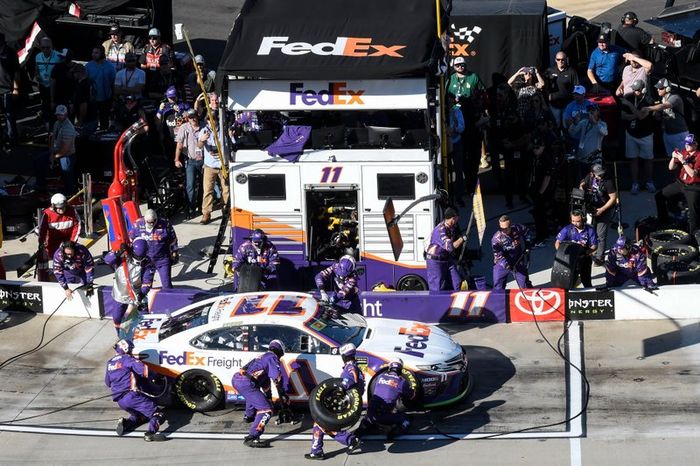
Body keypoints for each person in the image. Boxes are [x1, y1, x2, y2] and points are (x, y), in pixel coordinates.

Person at [306, 343, 363, 460]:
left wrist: (335, 388)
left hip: (343, 405)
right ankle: (350, 441)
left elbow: (348, 382)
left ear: (344, 356)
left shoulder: (351, 367)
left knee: (320, 424)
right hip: (344, 404)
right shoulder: (355, 366)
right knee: (321, 424)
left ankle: (317, 452)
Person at [105, 339, 165, 442]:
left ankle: (126, 423)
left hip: (120, 401)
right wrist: (158, 376)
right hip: (132, 396)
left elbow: (107, 383)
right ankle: (150, 433)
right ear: (126, 348)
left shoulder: (110, 363)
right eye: (131, 349)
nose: (132, 351)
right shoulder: (127, 359)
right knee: (157, 413)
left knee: (141, 415)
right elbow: (144, 371)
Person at [232, 339, 289, 448]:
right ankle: (252, 437)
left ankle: (249, 416)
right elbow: (277, 378)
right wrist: (283, 394)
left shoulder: (262, 357)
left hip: (238, 379)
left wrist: (269, 399)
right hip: (247, 383)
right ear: (280, 351)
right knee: (267, 411)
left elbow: (266, 387)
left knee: (255, 395)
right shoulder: (272, 358)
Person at [104, 239, 155, 336]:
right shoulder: (123, 256)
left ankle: (146, 335)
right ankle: (120, 335)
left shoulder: (148, 263)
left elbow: (147, 281)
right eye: (137, 257)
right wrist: (117, 253)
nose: (139, 259)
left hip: (137, 293)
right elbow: (107, 260)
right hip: (120, 293)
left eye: (141, 257)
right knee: (117, 317)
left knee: (144, 316)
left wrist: (141, 294)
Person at [355, 358, 414, 440]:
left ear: (389, 368)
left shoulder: (379, 377)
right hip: (384, 415)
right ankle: (394, 432)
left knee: (368, 417)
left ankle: (360, 430)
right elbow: (410, 395)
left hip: (371, 414)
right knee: (406, 418)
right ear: (400, 370)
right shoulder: (402, 381)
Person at [655, 134, 700, 234]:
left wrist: (683, 161)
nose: (687, 146)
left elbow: (692, 174)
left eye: (689, 144)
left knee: (693, 212)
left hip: (693, 186)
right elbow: (671, 168)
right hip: (680, 183)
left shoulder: (699, 156)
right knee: (659, 196)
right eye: (686, 144)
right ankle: (663, 222)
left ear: (695, 145)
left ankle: (694, 234)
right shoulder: (684, 152)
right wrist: (673, 158)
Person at [620, 79, 656, 194]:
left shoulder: (649, 100)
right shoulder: (629, 97)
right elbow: (623, 116)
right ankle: (635, 183)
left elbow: (641, 116)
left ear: (643, 89)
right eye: (634, 90)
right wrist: (635, 114)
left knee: (648, 160)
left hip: (646, 135)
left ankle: (649, 182)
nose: (635, 92)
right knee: (633, 159)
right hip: (631, 134)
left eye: (638, 90)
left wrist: (631, 107)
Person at [128, 209, 178, 289]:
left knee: (167, 285)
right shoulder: (137, 224)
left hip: (162, 259)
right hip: (146, 261)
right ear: (145, 220)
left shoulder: (165, 224)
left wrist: (174, 252)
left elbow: (173, 239)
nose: (151, 223)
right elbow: (131, 240)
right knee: (145, 287)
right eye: (149, 222)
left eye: (153, 221)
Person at [580, 164, 618, 266]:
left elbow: (613, 197)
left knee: (601, 235)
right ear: (592, 173)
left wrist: (602, 209)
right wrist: (582, 186)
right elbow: (583, 182)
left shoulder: (608, 181)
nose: (600, 176)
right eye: (598, 175)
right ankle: (591, 251)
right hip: (590, 209)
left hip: (603, 210)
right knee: (590, 232)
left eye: (601, 174)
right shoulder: (590, 177)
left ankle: (599, 258)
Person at [38, 193, 81, 281]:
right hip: (52, 242)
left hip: (68, 241)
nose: (61, 210)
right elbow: (42, 229)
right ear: (53, 206)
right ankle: (59, 274)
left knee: (69, 259)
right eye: (59, 208)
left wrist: (72, 242)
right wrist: (41, 242)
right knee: (57, 259)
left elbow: (77, 225)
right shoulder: (47, 213)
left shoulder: (72, 211)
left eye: (63, 207)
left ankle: (69, 276)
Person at [642, 78, 689, 156]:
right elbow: (660, 115)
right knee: (671, 159)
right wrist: (657, 114)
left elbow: (665, 105)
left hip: (679, 133)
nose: (658, 90)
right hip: (668, 133)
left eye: (660, 88)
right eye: (657, 88)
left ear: (668, 88)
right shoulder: (662, 99)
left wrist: (649, 108)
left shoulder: (675, 97)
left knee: (683, 158)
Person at [424, 207, 466, 291]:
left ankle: (455, 301)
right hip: (435, 260)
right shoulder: (440, 230)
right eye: (457, 218)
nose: (458, 220)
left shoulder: (452, 227)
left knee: (457, 281)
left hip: (446, 258)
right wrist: (462, 239)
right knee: (438, 286)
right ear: (453, 218)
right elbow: (450, 247)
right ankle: (436, 303)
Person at [200, 97, 228, 224]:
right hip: (210, 165)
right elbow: (199, 146)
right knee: (208, 190)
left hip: (222, 165)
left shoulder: (223, 130)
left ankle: (226, 211)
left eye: (213, 120)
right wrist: (202, 140)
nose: (211, 122)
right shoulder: (204, 130)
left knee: (226, 190)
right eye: (209, 120)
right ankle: (206, 213)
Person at [175, 108, 206, 218]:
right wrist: (177, 159)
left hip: (204, 160)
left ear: (197, 116)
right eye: (190, 117)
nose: (193, 119)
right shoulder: (184, 127)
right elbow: (179, 144)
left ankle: (202, 207)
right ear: (188, 118)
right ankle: (191, 208)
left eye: (194, 116)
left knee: (203, 185)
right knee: (190, 185)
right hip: (190, 160)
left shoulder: (204, 125)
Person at [555, 210, 598, 288]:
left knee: (586, 281)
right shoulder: (567, 229)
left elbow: (594, 246)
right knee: (570, 281)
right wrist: (561, 253)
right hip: (570, 259)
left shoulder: (590, 230)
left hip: (584, 258)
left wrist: (586, 253)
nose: (575, 223)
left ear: (583, 219)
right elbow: (557, 242)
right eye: (573, 221)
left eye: (578, 221)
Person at [491, 215, 533, 290]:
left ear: (510, 226)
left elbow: (527, 232)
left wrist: (528, 245)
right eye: (501, 228)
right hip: (501, 263)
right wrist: (507, 266)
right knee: (498, 287)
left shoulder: (517, 228)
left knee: (525, 285)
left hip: (517, 259)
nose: (503, 231)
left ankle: (531, 298)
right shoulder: (496, 239)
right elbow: (498, 256)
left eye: (506, 228)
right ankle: (500, 301)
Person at [568, 104, 607, 178]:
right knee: (581, 182)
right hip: (582, 158)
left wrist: (595, 123)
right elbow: (572, 133)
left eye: (593, 110)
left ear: (598, 112)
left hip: (596, 159)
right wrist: (574, 123)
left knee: (598, 180)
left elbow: (605, 132)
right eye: (589, 110)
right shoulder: (584, 122)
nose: (591, 112)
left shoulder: (602, 124)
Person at [528, 139, 555, 245]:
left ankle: (541, 235)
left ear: (543, 147)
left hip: (542, 191)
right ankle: (543, 233)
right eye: (534, 147)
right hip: (535, 188)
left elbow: (547, 177)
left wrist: (541, 192)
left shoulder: (546, 159)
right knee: (537, 213)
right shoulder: (535, 157)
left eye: (537, 148)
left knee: (540, 213)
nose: (535, 150)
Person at [544, 51, 579, 130]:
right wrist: (548, 96)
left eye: (562, 59)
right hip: (554, 104)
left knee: (566, 125)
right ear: (555, 60)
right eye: (558, 59)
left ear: (566, 59)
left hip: (567, 105)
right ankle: (556, 140)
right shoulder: (549, 71)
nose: (560, 61)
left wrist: (575, 103)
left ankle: (566, 140)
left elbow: (576, 87)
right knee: (555, 125)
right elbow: (544, 86)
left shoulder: (572, 71)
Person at [85, 46, 116, 130]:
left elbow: (113, 84)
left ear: (102, 54)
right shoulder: (88, 66)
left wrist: (113, 99)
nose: (93, 55)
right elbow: (85, 84)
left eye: (96, 53)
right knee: (92, 121)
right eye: (93, 52)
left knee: (104, 121)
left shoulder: (110, 67)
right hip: (93, 99)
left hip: (106, 99)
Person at [35, 37, 62, 127]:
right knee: (45, 106)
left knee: (54, 107)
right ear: (40, 47)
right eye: (43, 48)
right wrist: (37, 76)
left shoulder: (58, 56)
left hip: (55, 87)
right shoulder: (38, 56)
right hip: (43, 86)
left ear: (52, 47)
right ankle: (47, 127)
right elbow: (36, 70)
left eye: (48, 47)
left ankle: (56, 125)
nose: (45, 50)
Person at [51, 105, 77, 194]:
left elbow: (66, 148)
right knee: (38, 160)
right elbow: (53, 137)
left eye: (61, 115)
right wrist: (51, 152)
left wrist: (55, 156)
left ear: (66, 114)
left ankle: (70, 192)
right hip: (57, 152)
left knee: (67, 174)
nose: (59, 116)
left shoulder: (69, 128)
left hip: (67, 155)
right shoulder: (56, 124)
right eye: (58, 114)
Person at [0, 32, 20, 148]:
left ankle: (12, 139)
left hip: (7, 89)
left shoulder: (11, 53)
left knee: (9, 116)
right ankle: (3, 138)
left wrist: (16, 89)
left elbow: (17, 72)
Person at [446, 93, 466, 205]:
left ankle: (459, 196)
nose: (449, 104)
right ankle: (447, 195)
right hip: (445, 143)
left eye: (451, 101)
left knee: (458, 170)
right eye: (447, 102)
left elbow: (462, 127)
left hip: (456, 141)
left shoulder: (457, 111)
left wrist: (453, 130)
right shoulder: (441, 113)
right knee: (445, 170)